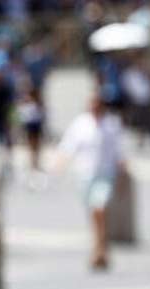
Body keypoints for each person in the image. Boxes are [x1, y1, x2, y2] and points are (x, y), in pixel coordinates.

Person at [55, 95, 125, 270]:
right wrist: (60, 164)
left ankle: (100, 248)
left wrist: (123, 170)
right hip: (85, 174)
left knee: (99, 207)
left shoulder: (112, 124)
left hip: (105, 174)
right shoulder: (81, 124)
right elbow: (69, 146)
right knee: (93, 212)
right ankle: (100, 245)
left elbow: (119, 150)